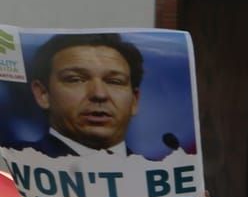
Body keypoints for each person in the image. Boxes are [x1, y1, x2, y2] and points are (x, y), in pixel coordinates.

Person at [20, 33, 161, 159]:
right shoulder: (12, 166)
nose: (99, 94)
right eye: (76, 79)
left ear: (134, 100)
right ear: (43, 94)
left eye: (114, 81)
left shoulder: (160, 177)